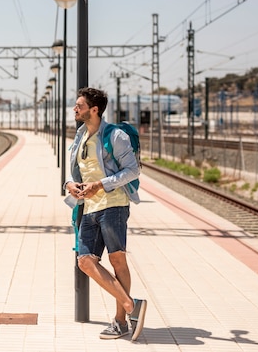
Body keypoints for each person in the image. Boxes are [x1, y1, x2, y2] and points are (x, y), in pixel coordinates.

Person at [64, 87, 147, 341]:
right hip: (88, 208)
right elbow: (78, 172)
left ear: (94, 109)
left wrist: (99, 185)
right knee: (85, 261)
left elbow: (132, 171)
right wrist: (69, 185)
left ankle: (121, 322)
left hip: (113, 205)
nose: (75, 109)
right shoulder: (80, 137)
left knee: (117, 260)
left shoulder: (116, 136)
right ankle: (131, 305)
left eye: (79, 105)